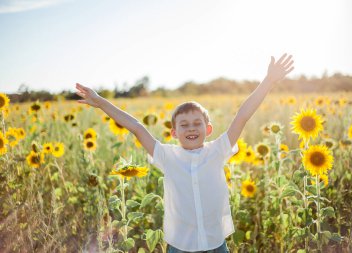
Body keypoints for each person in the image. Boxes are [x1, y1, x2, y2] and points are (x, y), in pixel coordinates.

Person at [75, 53, 294, 253]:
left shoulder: (218, 150)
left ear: (208, 129)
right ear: (174, 133)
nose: (191, 128)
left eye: (197, 123)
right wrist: (101, 102)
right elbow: (136, 127)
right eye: (184, 125)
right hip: (181, 246)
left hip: (215, 243)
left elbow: (242, 116)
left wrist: (268, 82)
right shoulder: (167, 157)